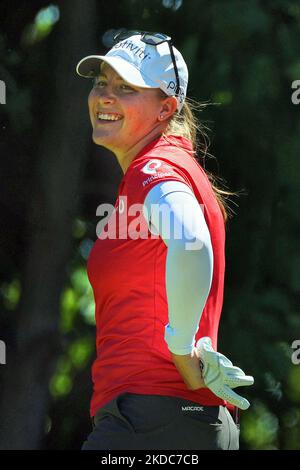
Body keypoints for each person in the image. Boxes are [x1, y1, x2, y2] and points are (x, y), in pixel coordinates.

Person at [75, 30, 254, 451]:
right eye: (101, 82)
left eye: (126, 88)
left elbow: (191, 243)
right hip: (181, 421)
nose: (105, 96)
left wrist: (182, 350)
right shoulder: (173, 165)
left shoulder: (154, 168)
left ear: (165, 108)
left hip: (151, 421)